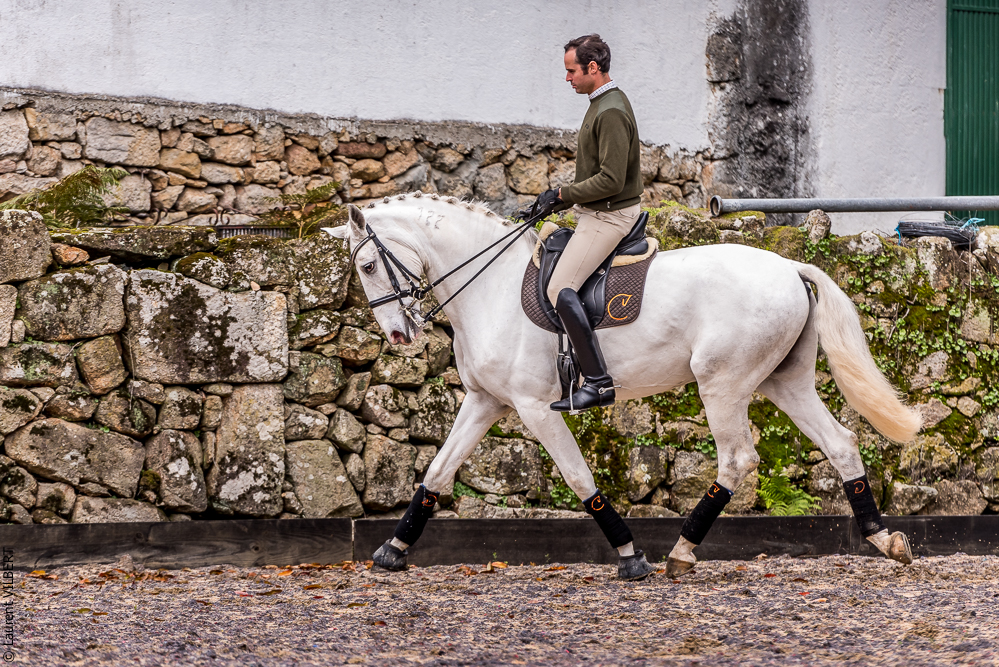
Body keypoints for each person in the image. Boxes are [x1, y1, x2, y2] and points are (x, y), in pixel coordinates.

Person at [526, 34, 644, 412]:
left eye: (571, 71)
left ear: (593, 68)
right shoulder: (602, 102)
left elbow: (610, 180)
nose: (567, 78)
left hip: (610, 216)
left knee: (560, 286)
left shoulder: (610, 110)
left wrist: (562, 195)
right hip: (596, 210)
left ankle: (598, 383)